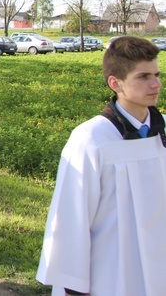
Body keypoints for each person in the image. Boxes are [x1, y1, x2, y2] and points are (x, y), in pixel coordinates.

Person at [37, 36, 166, 295]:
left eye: (157, 74)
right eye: (143, 77)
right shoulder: (92, 139)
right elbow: (70, 218)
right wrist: (74, 287)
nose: (155, 84)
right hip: (111, 276)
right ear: (115, 83)